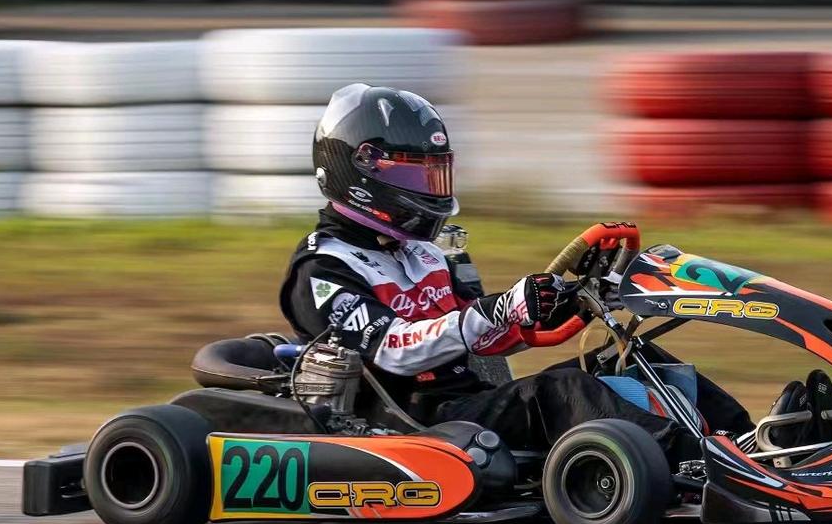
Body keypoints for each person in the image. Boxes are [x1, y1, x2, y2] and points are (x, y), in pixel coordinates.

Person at [278, 83, 752, 463]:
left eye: (432, 175)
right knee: (562, 390)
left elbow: (481, 339)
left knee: (632, 359)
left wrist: (567, 302)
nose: (427, 190)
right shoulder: (324, 269)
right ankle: (696, 463)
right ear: (361, 171)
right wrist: (495, 309)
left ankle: (753, 445)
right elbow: (395, 351)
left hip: (473, 400)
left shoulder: (422, 254)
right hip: (415, 420)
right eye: (412, 176)